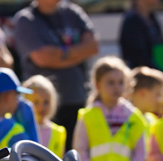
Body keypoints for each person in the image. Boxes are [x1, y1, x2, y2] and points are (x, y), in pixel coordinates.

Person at [12, 0, 99, 147]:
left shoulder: (73, 12)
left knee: (73, 156)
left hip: (76, 99)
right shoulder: (26, 19)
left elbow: (93, 47)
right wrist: (77, 54)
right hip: (41, 108)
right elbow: (42, 58)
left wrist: (59, 53)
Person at [23, 74, 67, 159]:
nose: (41, 107)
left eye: (46, 102)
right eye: (36, 102)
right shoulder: (20, 128)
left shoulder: (59, 132)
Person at [119, 0, 163, 73]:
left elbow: (161, 48)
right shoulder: (132, 20)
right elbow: (139, 57)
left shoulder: (152, 17)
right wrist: (159, 73)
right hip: (143, 78)